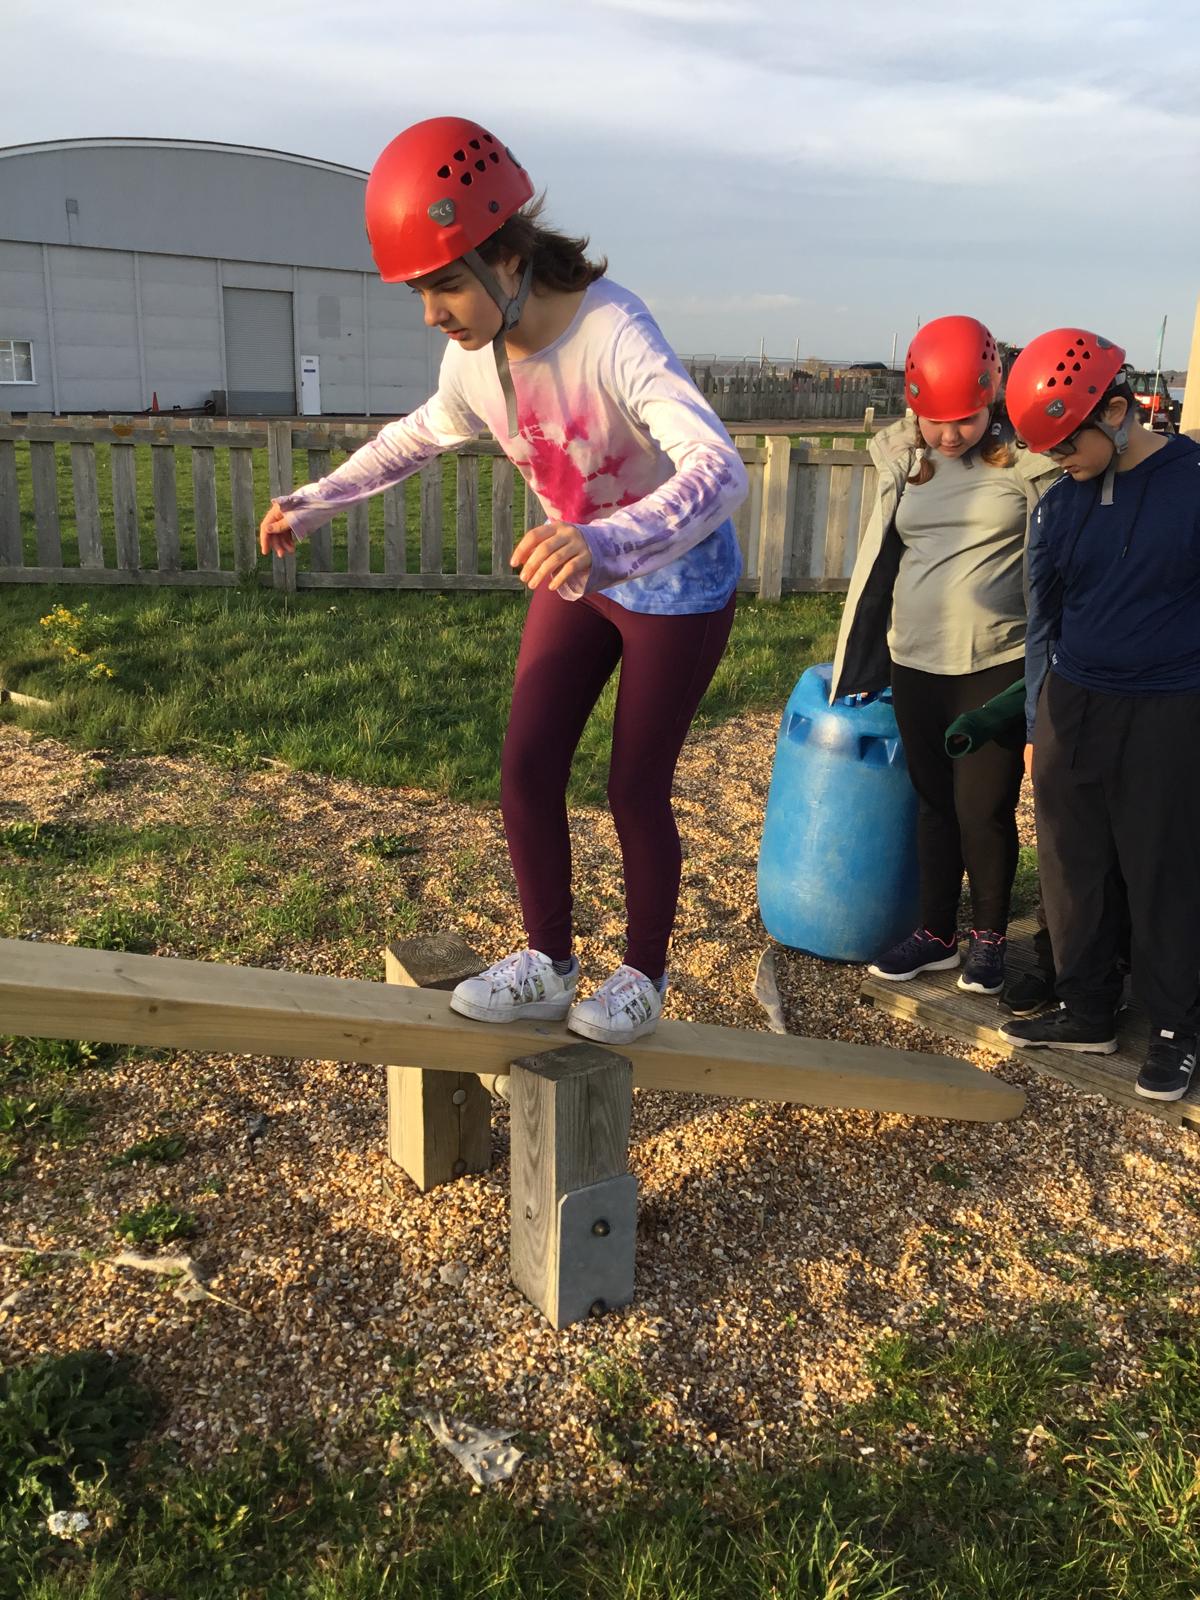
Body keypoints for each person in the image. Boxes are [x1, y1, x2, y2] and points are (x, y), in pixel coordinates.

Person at [258, 116, 747, 1045]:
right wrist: (313, 502)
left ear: (510, 257)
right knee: (525, 766)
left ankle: (643, 974)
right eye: (420, 291)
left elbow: (719, 470)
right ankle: (550, 963)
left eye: (446, 284)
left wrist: (607, 541)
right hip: (581, 572)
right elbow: (415, 437)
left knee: (634, 785)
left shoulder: (613, 332)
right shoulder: (472, 359)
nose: (432, 313)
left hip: (675, 583)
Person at [998, 329, 1200, 1101]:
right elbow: (1042, 619)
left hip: (1170, 705)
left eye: (1065, 445)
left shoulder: (1192, 482)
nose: (1058, 462)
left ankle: (1176, 1027)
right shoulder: (1058, 505)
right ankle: (1087, 1007)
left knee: (1162, 867)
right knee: (1069, 862)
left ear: (1115, 411)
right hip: (1073, 702)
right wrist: (1034, 720)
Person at [830, 316, 1058, 996]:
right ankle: (936, 934)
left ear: (992, 397)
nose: (950, 434)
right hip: (914, 661)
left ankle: (988, 938)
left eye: (965, 418)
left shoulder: (1026, 465)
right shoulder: (907, 461)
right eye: (935, 419)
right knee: (932, 805)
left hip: (994, 664)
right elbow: (885, 546)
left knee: (982, 809)